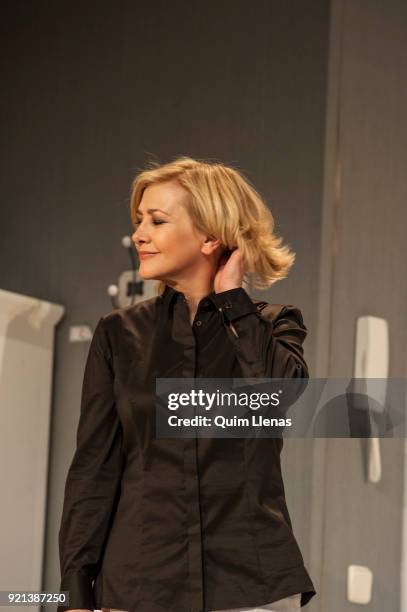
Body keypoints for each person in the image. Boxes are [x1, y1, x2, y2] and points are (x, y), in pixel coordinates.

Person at [58, 156, 316, 612]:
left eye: (157, 220)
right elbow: (93, 472)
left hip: (248, 585)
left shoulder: (272, 325)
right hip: (138, 584)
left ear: (211, 235)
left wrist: (233, 300)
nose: (139, 234)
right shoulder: (118, 335)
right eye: (139, 220)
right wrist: (76, 592)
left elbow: (281, 396)